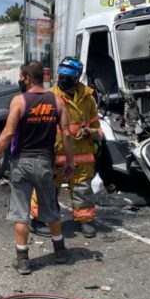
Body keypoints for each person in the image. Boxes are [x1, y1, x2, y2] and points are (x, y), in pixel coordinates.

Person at [0, 61, 74, 275]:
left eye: (21, 76)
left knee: (21, 212)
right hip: (45, 162)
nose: (20, 80)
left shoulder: (19, 101)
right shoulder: (58, 101)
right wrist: (70, 162)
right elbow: (67, 134)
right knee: (51, 208)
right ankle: (60, 251)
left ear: (26, 77)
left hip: (21, 163)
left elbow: (7, 134)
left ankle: (23, 260)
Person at [31, 57, 102, 237]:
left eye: (67, 78)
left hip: (82, 155)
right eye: (61, 76)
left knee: (82, 189)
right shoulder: (49, 97)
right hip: (55, 154)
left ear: (77, 78)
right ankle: (38, 220)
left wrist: (89, 132)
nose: (63, 80)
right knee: (46, 189)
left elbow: (97, 128)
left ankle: (84, 220)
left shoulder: (88, 99)